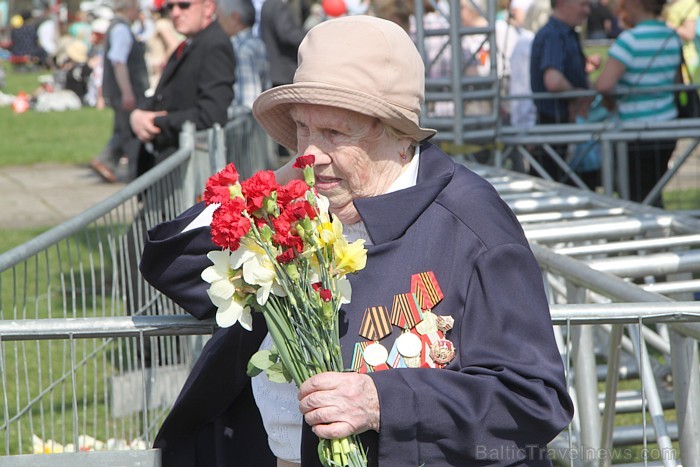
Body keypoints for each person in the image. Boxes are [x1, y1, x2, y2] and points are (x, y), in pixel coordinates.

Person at [139, 15, 574, 466]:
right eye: (301, 129)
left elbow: (534, 400)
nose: (308, 153)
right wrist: (274, 185)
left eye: (334, 132)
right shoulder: (306, 202)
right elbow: (174, 265)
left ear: (399, 135)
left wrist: (384, 403)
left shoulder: (471, 222)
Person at [129, 0, 235, 177]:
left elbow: (211, 115)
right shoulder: (189, 43)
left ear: (208, 7)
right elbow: (162, 96)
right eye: (170, 6)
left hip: (189, 173)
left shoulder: (215, 44)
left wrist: (156, 121)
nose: (175, 12)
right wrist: (137, 115)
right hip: (171, 168)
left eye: (184, 5)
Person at [595, 0, 681, 206]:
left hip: (635, 130)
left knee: (636, 195)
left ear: (636, 4)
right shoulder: (672, 37)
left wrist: (611, 101)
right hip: (668, 126)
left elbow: (604, 84)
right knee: (653, 191)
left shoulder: (630, 40)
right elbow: (676, 81)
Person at [530, 0, 600, 188]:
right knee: (553, 188)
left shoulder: (567, 33)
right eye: (582, 4)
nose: (587, 11)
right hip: (554, 127)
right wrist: (578, 95)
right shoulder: (554, 34)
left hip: (562, 128)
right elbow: (553, 80)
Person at [90, 0, 149, 184]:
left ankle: (106, 161)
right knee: (130, 132)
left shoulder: (117, 27)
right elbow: (119, 62)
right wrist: (127, 92)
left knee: (123, 128)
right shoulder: (121, 29)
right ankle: (129, 170)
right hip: (125, 90)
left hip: (120, 90)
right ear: (129, 8)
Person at [216, 0, 271, 111]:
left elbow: (247, 106)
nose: (218, 23)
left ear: (235, 18)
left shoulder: (241, 49)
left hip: (244, 125)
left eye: (219, 17)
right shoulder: (257, 43)